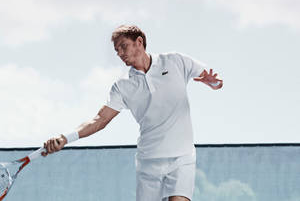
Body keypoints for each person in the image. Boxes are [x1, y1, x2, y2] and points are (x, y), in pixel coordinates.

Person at [42, 25, 223, 201]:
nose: (120, 54)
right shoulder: (122, 86)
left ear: (139, 42)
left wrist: (213, 83)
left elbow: (216, 82)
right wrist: (66, 138)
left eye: (123, 46)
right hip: (148, 164)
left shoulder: (176, 61)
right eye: (117, 51)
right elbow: (100, 119)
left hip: (182, 159)